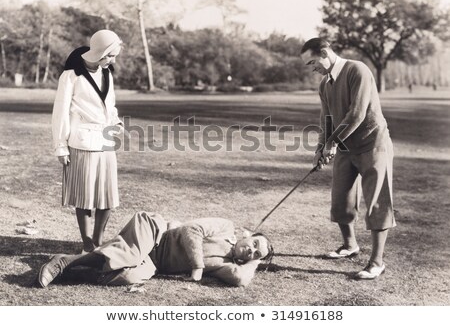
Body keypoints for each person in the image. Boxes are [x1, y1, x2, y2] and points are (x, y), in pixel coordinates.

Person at [300, 38, 395, 280]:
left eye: (313, 62)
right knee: (341, 199)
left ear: (325, 53)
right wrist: (320, 149)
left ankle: (376, 262)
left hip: (373, 144)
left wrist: (332, 142)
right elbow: (326, 120)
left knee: (377, 202)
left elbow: (357, 114)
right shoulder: (325, 84)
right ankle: (350, 245)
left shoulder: (357, 70)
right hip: (345, 148)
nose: (313, 68)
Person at [37, 211, 274, 288]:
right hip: (155, 231)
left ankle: (69, 272)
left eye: (255, 254)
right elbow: (191, 230)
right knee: (129, 254)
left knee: (131, 275)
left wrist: (256, 260)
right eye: (253, 244)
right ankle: (65, 262)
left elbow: (240, 280)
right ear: (248, 234)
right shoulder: (226, 228)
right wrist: (197, 266)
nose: (250, 251)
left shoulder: (228, 265)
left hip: (154, 262)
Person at [52, 29, 124, 253]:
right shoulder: (71, 76)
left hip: (105, 142)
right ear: (101, 51)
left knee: (108, 197)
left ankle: (98, 240)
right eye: (111, 56)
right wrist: (60, 146)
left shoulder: (107, 74)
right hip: (81, 142)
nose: (113, 61)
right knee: (84, 198)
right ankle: (87, 244)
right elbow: (60, 112)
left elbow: (109, 106)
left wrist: (116, 122)